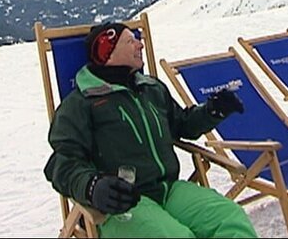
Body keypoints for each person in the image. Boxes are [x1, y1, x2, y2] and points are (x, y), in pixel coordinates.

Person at [44, 22, 258, 238]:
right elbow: (61, 163)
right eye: (130, 41)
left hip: (169, 191)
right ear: (108, 52)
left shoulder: (151, 88)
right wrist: (92, 187)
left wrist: (213, 111)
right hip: (123, 203)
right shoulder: (82, 102)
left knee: (232, 220)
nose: (140, 45)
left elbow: (182, 124)